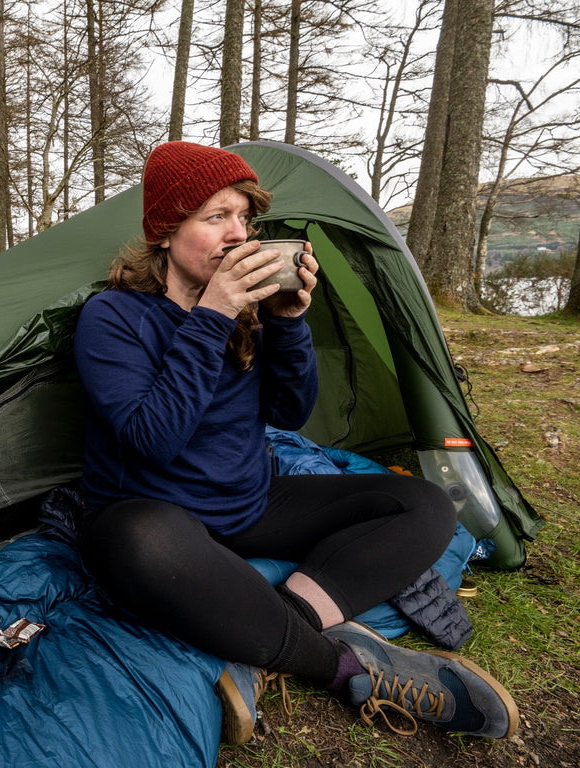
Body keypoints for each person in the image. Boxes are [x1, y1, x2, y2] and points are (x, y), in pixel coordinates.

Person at [73, 141, 518, 745]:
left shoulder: (245, 310)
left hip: (247, 504)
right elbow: (154, 440)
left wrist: (287, 323)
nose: (239, 234)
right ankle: (344, 667)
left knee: (425, 505)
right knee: (140, 540)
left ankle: (271, 635)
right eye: (216, 217)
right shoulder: (113, 317)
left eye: (244, 218)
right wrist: (212, 315)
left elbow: (289, 413)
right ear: (165, 231)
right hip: (154, 513)